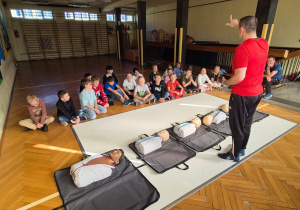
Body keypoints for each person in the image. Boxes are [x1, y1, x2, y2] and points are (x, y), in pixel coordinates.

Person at [218, 15, 269, 161]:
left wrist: (226, 83)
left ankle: (234, 154)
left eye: (238, 30)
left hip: (242, 94)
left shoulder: (243, 49)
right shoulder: (264, 43)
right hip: (257, 92)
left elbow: (239, 77)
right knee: (246, 123)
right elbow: (248, 31)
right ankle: (241, 149)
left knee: (237, 126)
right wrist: (237, 26)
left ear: (242, 29)